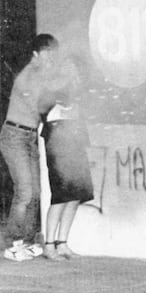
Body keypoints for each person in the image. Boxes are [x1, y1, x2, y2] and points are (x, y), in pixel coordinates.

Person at [0, 33, 63, 261]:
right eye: (46, 54)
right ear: (35, 55)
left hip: (28, 137)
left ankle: (24, 241)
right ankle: (11, 243)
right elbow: (42, 104)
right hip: (14, 135)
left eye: (52, 54)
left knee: (35, 193)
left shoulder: (43, 74)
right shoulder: (31, 74)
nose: (50, 58)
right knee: (25, 192)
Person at [41, 55, 94, 261]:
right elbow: (46, 114)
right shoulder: (51, 89)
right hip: (58, 144)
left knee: (75, 194)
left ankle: (62, 243)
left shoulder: (78, 91)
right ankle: (49, 245)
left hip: (75, 143)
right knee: (60, 195)